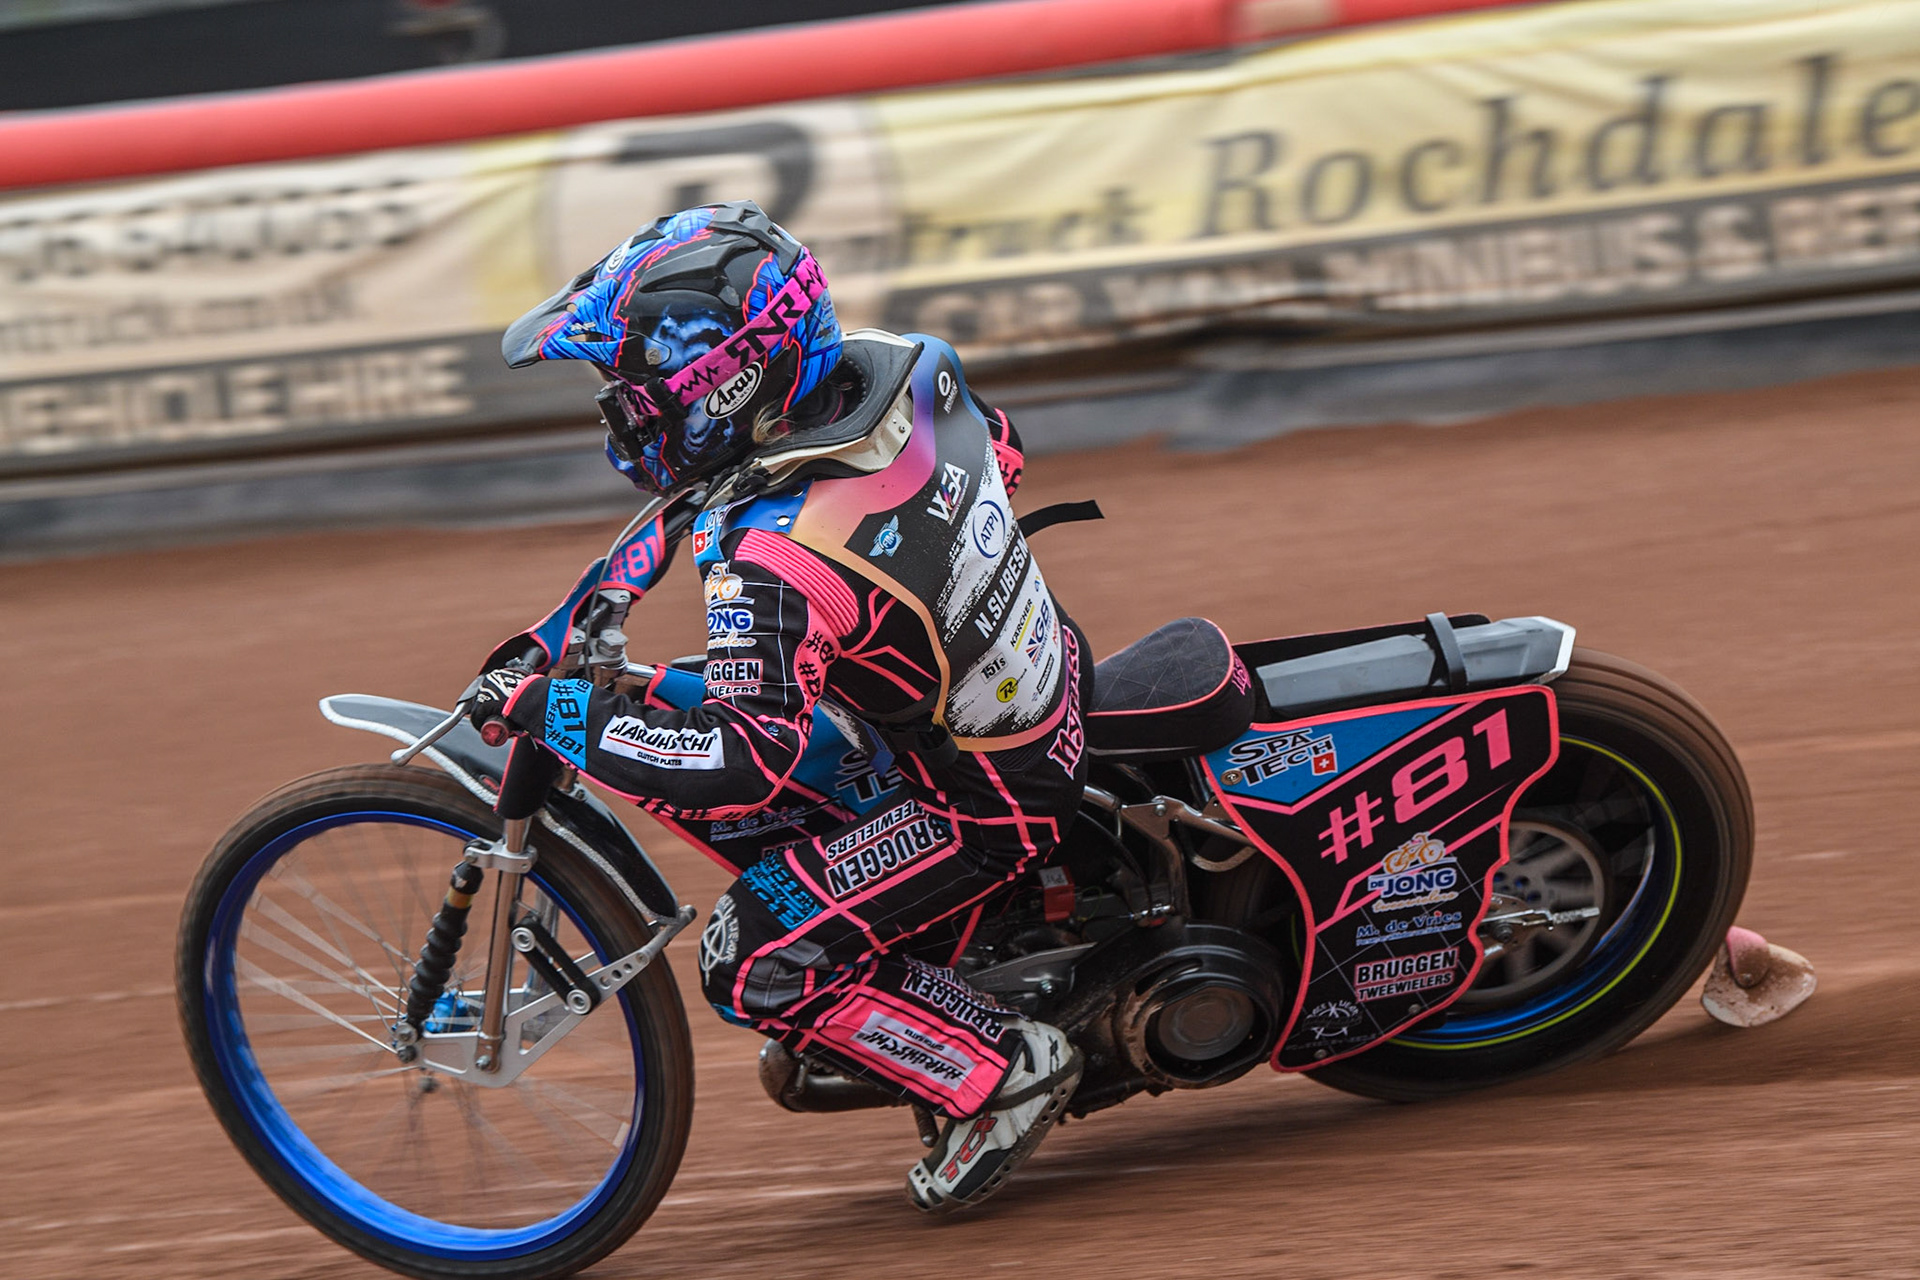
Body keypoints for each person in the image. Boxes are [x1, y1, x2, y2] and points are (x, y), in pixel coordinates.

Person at [467, 200, 1090, 1212]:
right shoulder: (900, 368)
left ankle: (1003, 1071)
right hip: (1032, 671)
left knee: (751, 956)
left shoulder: (772, 558)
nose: (619, 410)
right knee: (705, 684)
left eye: (630, 388)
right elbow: (1004, 451)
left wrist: (558, 711)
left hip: (982, 798)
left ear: (721, 382)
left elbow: (741, 762)